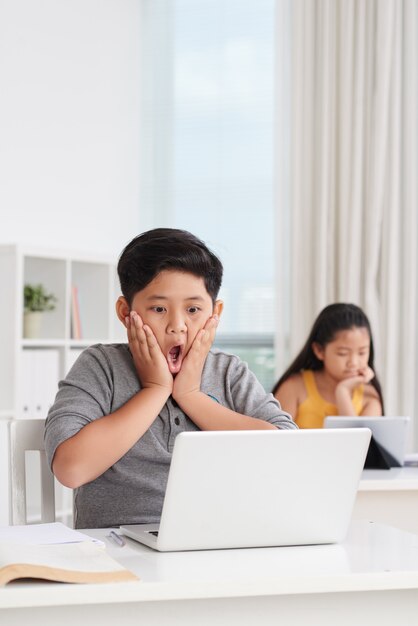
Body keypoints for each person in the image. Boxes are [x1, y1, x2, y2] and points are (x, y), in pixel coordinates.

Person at [45, 228, 296, 528]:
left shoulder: (229, 372)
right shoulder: (101, 366)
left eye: (193, 309)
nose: (177, 326)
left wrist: (191, 396)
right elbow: (71, 470)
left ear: (215, 313)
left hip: (220, 544)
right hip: (118, 550)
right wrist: (155, 390)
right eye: (159, 308)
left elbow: (287, 452)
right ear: (126, 313)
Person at [272, 303, 384, 428]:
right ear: (319, 350)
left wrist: (343, 392)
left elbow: (358, 445)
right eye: (343, 353)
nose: (353, 362)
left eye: (362, 353)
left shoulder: (369, 395)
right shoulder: (294, 387)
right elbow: (276, 440)